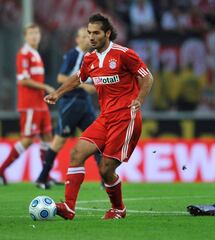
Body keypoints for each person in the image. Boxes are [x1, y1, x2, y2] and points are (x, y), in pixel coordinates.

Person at [44, 13, 153, 220]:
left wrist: (139, 99)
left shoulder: (124, 54)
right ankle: (68, 207)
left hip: (125, 117)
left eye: (96, 33)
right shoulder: (90, 58)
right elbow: (77, 78)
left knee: (105, 169)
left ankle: (118, 209)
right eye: (89, 33)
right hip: (105, 118)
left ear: (107, 33)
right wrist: (58, 93)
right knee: (76, 153)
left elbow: (147, 77)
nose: (91, 37)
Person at [35, 27, 102, 189]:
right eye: (85, 37)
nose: (89, 39)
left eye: (90, 36)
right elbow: (60, 77)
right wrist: (85, 86)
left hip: (85, 104)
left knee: (97, 140)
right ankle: (42, 177)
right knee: (59, 141)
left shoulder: (92, 57)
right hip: (70, 103)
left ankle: (105, 179)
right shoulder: (73, 55)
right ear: (77, 40)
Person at [0, 24, 55, 185]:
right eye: (31, 33)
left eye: (37, 33)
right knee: (28, 139)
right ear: (25, 36)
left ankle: (45, 175)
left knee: (47, 137)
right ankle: (1, 170)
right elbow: (23, 80)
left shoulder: (35, 53)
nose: (34, 36)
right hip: (30, 104)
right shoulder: (23, 54)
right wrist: (45, 87)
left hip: (40, 104)